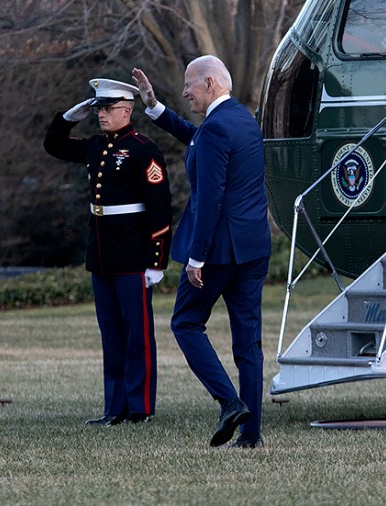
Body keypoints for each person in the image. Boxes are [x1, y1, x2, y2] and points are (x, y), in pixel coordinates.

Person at [132, 57, 271, 448]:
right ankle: (252, 434)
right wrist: (154, 106)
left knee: (185, 323)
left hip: (218, 254)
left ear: (209, 83)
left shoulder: (215, 129)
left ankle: (229, 402)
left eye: (189, 85)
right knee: (248, 343)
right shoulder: (242, 119)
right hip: (252, 249)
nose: (185, 92)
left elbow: (210, 199)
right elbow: (194, 136)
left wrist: (197, 257)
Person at [44, 78, 172, 427]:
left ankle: (140, 407)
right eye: (98, 108)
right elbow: (53, 145)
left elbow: (160, 207)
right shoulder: (96, 146)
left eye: (107, 108)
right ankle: (114, 407)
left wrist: (157, 261)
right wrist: (70, 116)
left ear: (127, 110)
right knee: (111, 333)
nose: (101, 114)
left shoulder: (143, 149)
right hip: (102, 253)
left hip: (133, 255)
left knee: (137, 334)